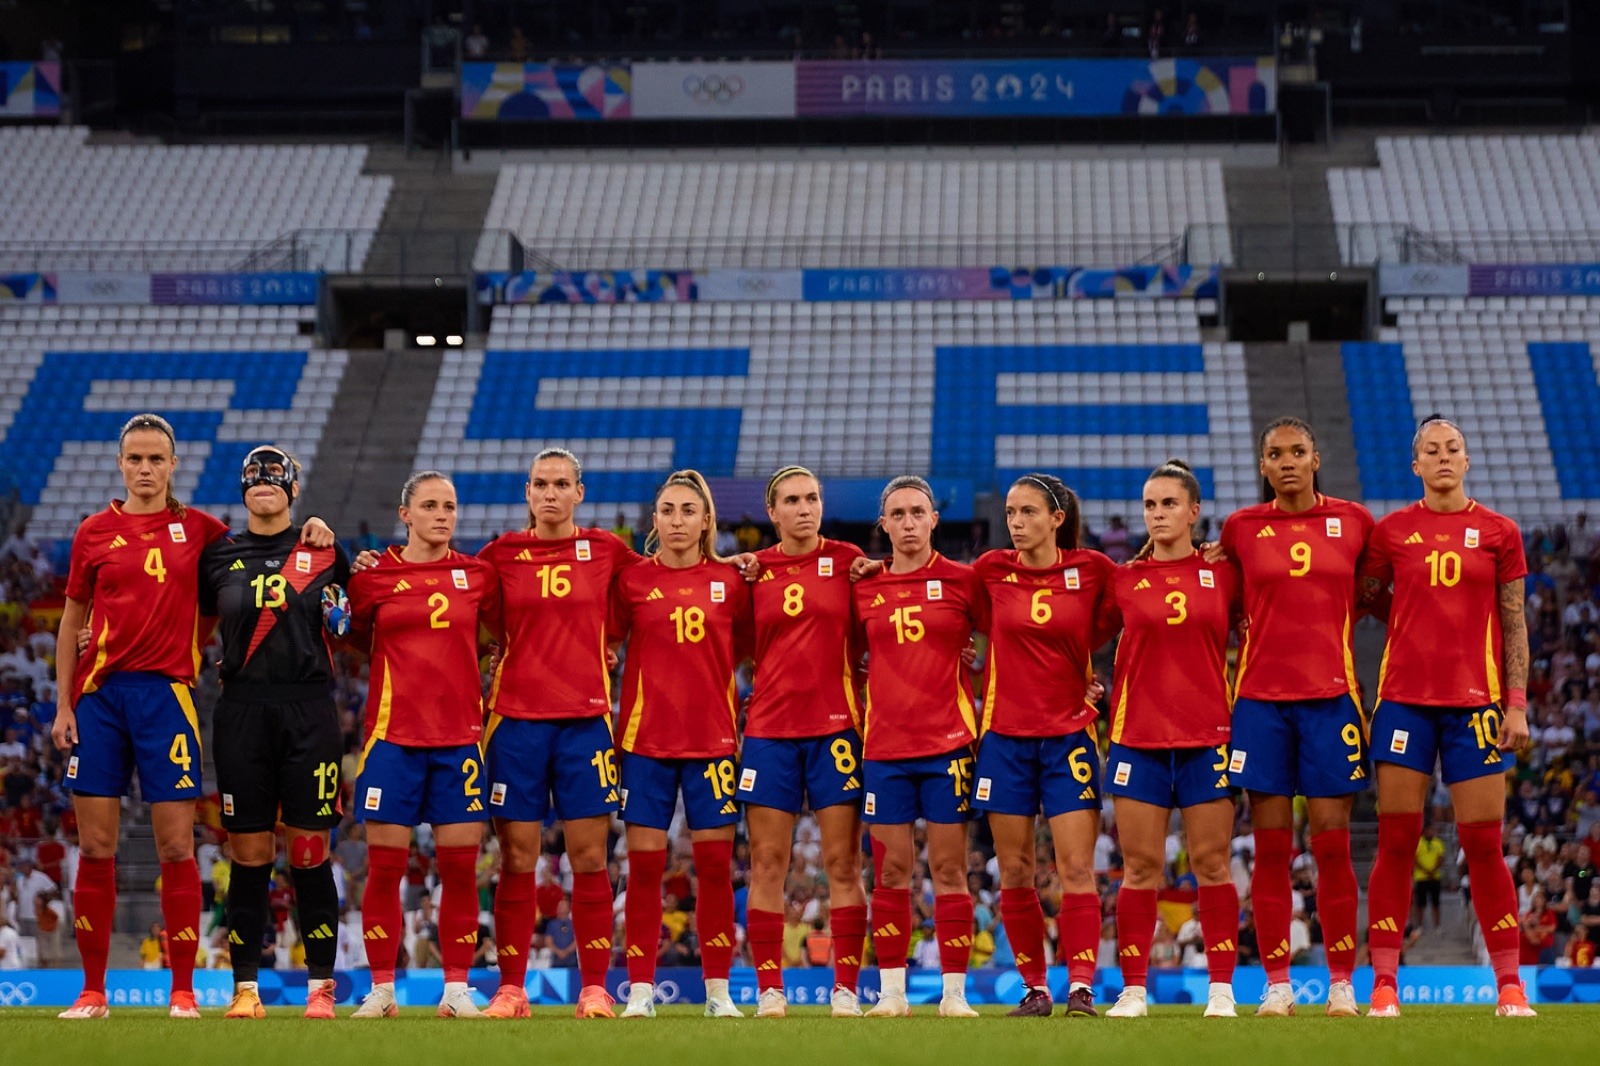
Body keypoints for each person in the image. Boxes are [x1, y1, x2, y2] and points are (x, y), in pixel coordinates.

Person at [51, 413, 332, 1020]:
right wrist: (63, 702)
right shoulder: (94, 532)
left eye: (157, 459)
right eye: (136, 459)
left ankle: (183, 993)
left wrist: (314, 525)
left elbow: (260, 554)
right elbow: (73, 618)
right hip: (99, 699)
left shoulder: (204, 532)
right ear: (121, 464)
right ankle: (92, 992)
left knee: (177, 846)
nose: (146, 469)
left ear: (174, 465)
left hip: (168, 698)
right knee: (95, 845)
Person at [1360, 416, 1537, 1018]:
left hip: (1477, 707)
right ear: (1415, 465)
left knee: (1483, 846)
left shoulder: (1499, 532)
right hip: (1405, 702)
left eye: (1452, 448)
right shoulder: (1390, 533)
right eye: (1430, 450)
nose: (1442, 456)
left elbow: (1513, 622)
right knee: (1397, 841)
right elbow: (1360, 596)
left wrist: (1516, 702)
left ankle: (1509, 984)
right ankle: (1385, 982)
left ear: (1466, 461)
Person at [1216, 416, 1373, 1017]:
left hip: (1333, 702)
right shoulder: (1240, 529)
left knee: (1332, 849)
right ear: (1262, 466)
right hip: (1259, 703)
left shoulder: (1356, 522)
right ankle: (1277, 984)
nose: (1286, 461)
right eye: (1275, 453)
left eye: (1297, 451)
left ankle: (1340, 985)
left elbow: (1383, 588)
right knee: (1272, 848)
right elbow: (1216, 602)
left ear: (1316, 458)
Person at [475, 449, 638, 1019]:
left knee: (588, 858)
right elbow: (454, 599)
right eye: (540, 484)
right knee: (517, 860)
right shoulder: (499, 555)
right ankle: (512, 990)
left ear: (579, 492)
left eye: (561, 483)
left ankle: (594, 989)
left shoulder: (609, 550)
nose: (550, 493)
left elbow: (656, 588)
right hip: (515, 722)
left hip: (585, 722)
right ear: (527, 492)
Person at [199, 446, 350, 1020]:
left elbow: (356, 620)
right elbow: (183, 627)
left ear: (292, 486)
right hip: (240, 713)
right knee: (250, 856)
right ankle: (245, 991)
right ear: (242, 489)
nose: (263, 483)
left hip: (308, 711)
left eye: (273, 475)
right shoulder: (218, 555)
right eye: (253, 476)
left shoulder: (324, 549)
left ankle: (321, 991)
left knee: (310, 855)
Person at [347, 471, 503, 1019]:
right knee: (385, 868)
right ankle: (382, 991)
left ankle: (456, 989)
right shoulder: (372, 577)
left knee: (460, 869)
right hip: (392, 740)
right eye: (431, 505)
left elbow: (515, 631)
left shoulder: (478, 576)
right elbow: (342, 636)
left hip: (459, 741)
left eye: (451, 506)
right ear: (405, 513)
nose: (443, 514)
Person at [609, 470, 752, 1020]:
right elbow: (607, 641)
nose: (676, 520)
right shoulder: (631, 582)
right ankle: (640, 992)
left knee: (714, 869)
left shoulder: (733, 582)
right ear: (654, 521)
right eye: (667, 510)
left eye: (688, 511)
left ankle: (718, 992)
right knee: (644, 869)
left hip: (713, 742)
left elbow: (746, 646)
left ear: (705, 520)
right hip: (645, 744)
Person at [1102, 460, 1243, 1019]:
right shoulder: (1122, 579)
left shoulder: (1226, 573)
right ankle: (1133, 989)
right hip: (1138, 737)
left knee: (1212, 864)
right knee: (1139, 868)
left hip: (1208, 736)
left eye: (1168, 504)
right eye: (1149, 505)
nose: (1157, 514)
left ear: (1194, 511)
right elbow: (1072, 635)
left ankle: (1222, 991)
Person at [971, 473, 1115, 1017]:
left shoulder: (1094, 570)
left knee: (1076, 868)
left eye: (1028, 512)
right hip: (1004, 740)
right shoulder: (990, 570)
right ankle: (1035, 990)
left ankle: (1080, 987)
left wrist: (1086, 673)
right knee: (1014, 870)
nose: (1016, 523)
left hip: (1069, 738)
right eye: (1010, 513)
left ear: (1057, 519)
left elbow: (1127, 614)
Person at [852, 475, 989, 1018]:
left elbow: (1013, 633)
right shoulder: (861, 585)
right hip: (883, 749)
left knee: (950, 872)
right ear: (883, 524)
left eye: (918, 513)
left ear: (934, 520)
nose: (908, 523)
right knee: (891, 873)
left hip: (948, 746)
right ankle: (892, 995)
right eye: (898, 515)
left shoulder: (964, 581)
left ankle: (954, 995)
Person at [738, 467, 870, 1019]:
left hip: (837, 729)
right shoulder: (751, 572)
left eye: (812, 498)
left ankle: (845, 990)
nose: (804, 508)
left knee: (844, 863)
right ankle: (771, 990)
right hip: (769, 732)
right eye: (791, 500)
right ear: (773, 512)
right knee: (768, 863)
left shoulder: (850, 562)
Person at [1413, 822, 1446, 932]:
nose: (1432, 832)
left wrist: (1433, 870)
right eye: (1430, 830)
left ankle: (1437, 926)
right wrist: (1426, 870)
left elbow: (1441, 858)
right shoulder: (1417, 843)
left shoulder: (1438, 843)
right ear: (1425, 831)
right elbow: (1415, 859)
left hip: (1434, 877)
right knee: (1420, 903)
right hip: (1421, 877)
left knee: (1436, 903)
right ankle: (1420, 925)